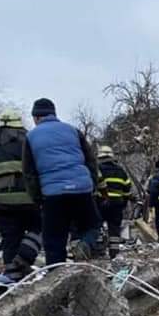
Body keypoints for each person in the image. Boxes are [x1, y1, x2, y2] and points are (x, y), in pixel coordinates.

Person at [22, 98, 102, 265]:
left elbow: (29, 172)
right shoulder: (73, 131)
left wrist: (38, 198)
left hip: (53, 195)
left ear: (36, 117)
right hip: (81, 190)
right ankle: (85, 244)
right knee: (92, 226)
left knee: (54, 240)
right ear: (54, 114)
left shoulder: (30, 137)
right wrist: (91, 184)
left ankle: (56, 275)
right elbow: (91, 160)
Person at [0, 110, 42, 281]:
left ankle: (12, 279)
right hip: (29, 201)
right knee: (39, 228)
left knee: (10, 239)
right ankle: (23, 259)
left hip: (1, 203)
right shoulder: (29, 143)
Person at [96, 145, 133, 258]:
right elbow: (127, 187)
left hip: (101, 202)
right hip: (117, 203)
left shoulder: (97, 169)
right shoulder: (120, 170)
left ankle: (98, 251)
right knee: (114, 229)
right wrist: (124, 202)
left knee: (97, 226)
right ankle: (114, 253)